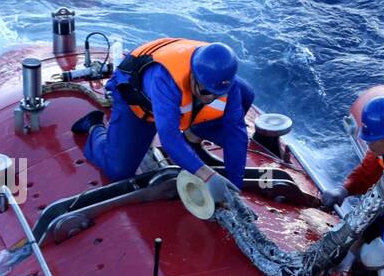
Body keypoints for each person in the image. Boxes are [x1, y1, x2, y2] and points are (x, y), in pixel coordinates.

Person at [75, 38, 254, 187]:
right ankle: (94, 126)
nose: (211, 99)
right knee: (118, 170)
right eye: (206, 92)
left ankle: (192, 138)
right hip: (139, 99)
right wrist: (208, 177)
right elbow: (169, 137)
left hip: (178, 101)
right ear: (193, 76)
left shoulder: (222, 82)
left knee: (246, 94)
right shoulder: (165, 79)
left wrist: (234, 184)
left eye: (219, 94)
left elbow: (235, 133)